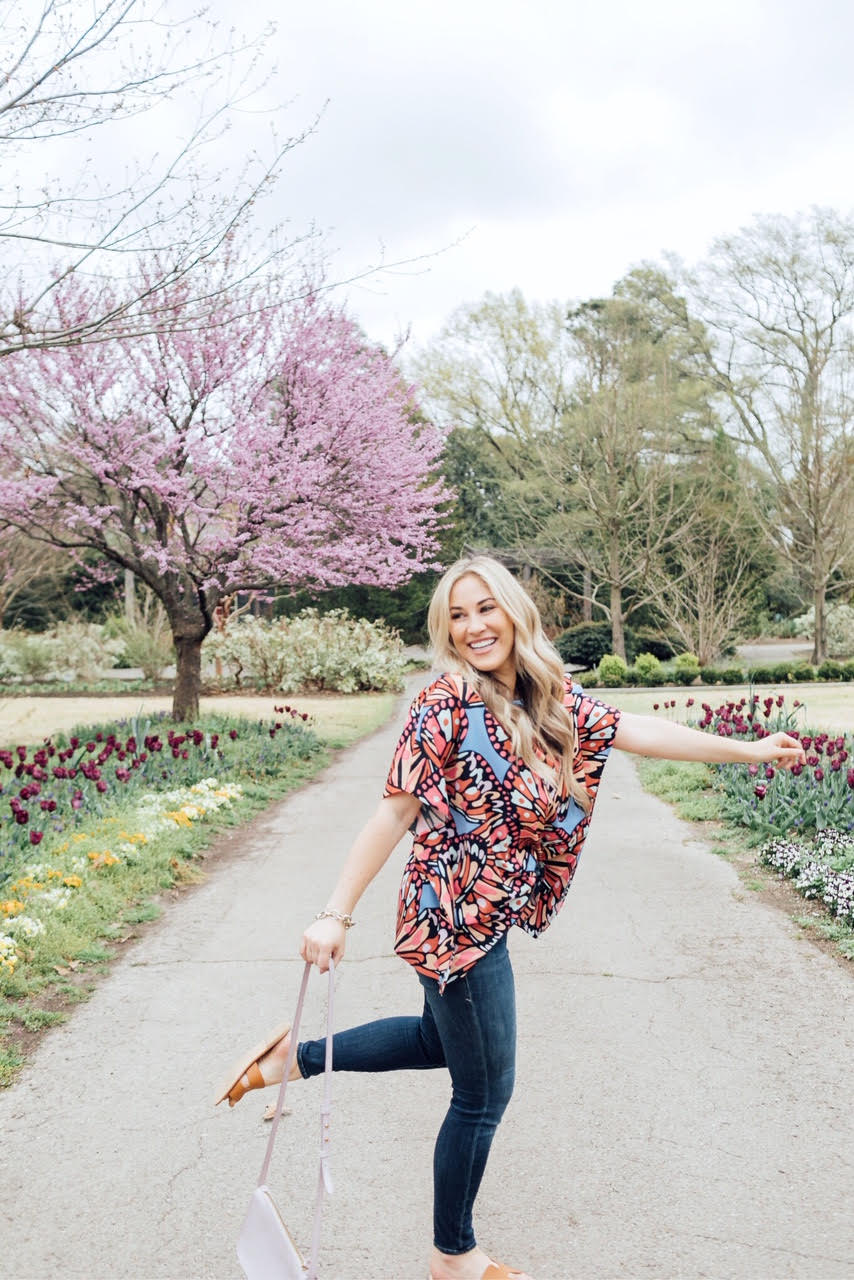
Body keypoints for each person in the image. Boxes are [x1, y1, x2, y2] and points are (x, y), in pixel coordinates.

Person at [216, 555, 805, 1280]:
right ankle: (452, 1255)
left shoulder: (544, 696)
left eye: (484, 609)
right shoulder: (441, 706)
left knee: (441, 1042)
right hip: (453, 921)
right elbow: (394, 810)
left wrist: (747, 751)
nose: (473, 627)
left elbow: (636, 731)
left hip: (483, 914)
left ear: (514, 612)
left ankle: (290, 1061)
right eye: (457, 616)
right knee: (484, 1092)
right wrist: (334, 914)